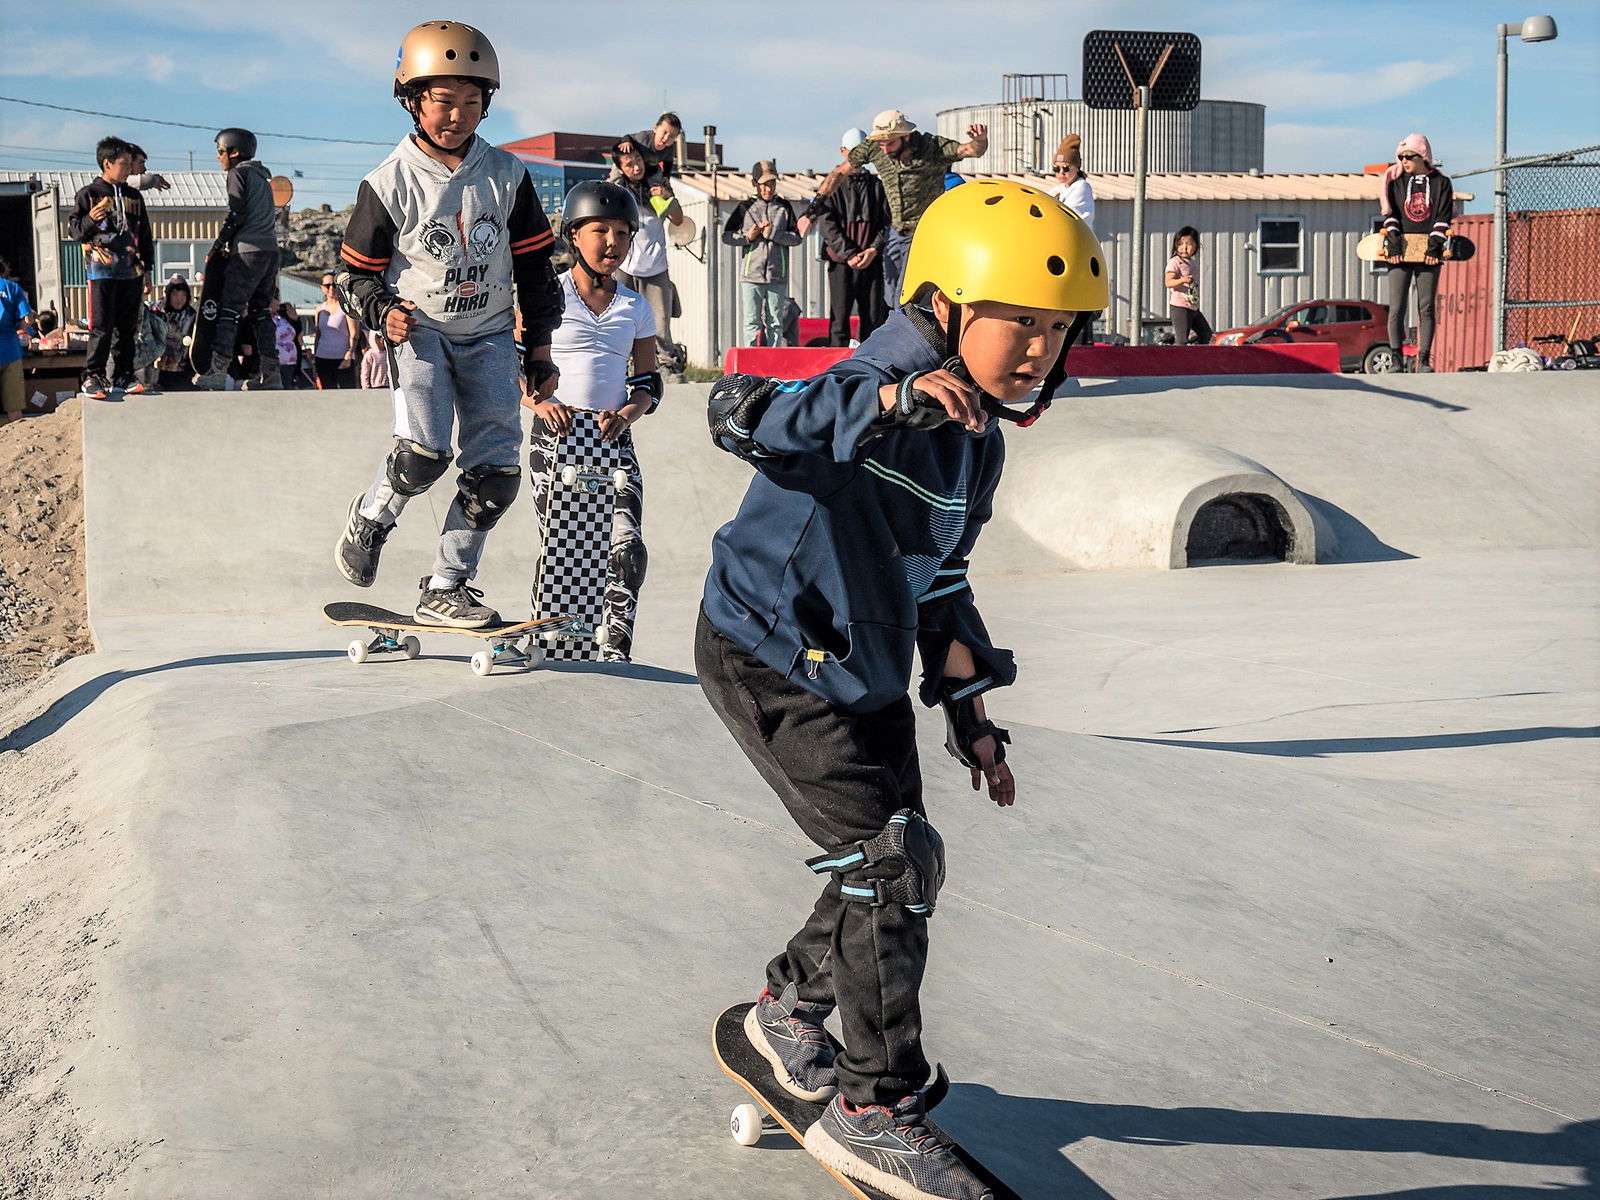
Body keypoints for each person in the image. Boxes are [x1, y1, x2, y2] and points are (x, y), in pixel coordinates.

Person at [697, 179, 1106, 1200]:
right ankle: (875, 1109)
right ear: (948, 304)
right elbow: (744, 416)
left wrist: (972, 715)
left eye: (1056, 334)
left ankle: (783, 1013)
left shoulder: (979, 441)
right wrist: (887, 401)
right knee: (889, 866)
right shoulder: (875, 376)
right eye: (1017, 322)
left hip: (867, 660)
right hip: (770, 651)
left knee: (891, 868)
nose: (1035, 352)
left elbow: (944, 579)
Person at [332, 19, 562, 629]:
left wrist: (538, 352)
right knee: (425, 456)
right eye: (442, 101)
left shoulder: (508, 176)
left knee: (496, 475)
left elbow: (537, 270)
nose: (456, 115)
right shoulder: (388, 183)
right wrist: (384, 311)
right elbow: (354, 277)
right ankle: (374, 516)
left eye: (470, 101)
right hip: (424, 332)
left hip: (489, 334)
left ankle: (446, 586)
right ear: (411, 100)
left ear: (486, 105)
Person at [526, 181, 660, 662]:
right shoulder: (548, 296)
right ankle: (558, 645)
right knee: (568, 554)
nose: (612, 243)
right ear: (574, 236)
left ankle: (615, 652)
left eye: (623, 233)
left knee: (626, 552)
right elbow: (511, 371)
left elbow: (648, 384)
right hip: (556, 439)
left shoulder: (635, 306)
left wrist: (628, 412)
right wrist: (540, 404)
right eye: (600, 230)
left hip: (613, 440)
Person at [849, 109, 987, 310]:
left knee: (903, 296)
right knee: (889, 294)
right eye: (882, 144)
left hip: (923, 233)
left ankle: (910, 328)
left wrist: (979, 140)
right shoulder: (878, 150)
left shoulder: (933, 151)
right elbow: (846, 165)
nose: (886, 150)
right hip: (896, 233)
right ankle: (911, 315)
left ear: (906, 137)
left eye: (891, 144)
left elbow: (971, 150)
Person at [67, 135, 154, 400]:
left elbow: (146, 236)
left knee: (128, 327)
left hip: (132, 271)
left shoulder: (134, 196)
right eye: (124, 163)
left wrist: (147, 270)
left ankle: (124, 375)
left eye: (130, 163)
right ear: (107, 164)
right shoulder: (89, 194)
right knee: (102, 325)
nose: (129, 168)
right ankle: (93, 375)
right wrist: (90, 220)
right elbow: (74, 231)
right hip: (101, 270)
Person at [195, 128, 281, 390]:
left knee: (229, 309)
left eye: (220, 151)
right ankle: (271, 375)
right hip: (270, 251)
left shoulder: (238, 173)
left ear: (233, 152)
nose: (218, 157)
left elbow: (236, 214)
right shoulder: (262, 178)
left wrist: (218, 245)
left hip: (247, 251)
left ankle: (217, 372)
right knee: (260, 311)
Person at [611, 137, 688, 381]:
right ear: (621, 168)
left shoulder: (658, 185)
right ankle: (621, 365)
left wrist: (666, 195)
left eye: (638, 161)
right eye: (629, 164)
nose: (636, 167)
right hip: (624, 266)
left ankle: (667, 365)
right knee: (621, 318)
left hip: (655, 265)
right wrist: (625, 143)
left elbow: (677, 219)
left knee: (660, 320)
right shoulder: (618, 191)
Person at [1380, 133, 1454, 373]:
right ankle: (1396, 360)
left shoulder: (1442, 183)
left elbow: (1442, 216)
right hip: (1400, 250)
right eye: (1400, 157)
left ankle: (1423, 360)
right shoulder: (1395, 181)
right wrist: (1393, 243)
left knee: (1426, 307)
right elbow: (1391, 214)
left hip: (1428, 251)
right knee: (1397, 306)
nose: (1404, 161)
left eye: (1409, 156)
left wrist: (1434, 247)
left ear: (1422, 155)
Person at [813, 128, 890, 347]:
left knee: (873, 318)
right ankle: (835, 372)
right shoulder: (831, 186)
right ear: (842, 151)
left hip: (871, 262)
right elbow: (827, 224)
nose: (858, 157)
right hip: (841, 263)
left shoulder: (878, 186)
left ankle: (872, 366)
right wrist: (849, 254)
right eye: (853, 151)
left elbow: (888, 223)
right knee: (839, 318)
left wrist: (873, 249)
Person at [722, 161, 801, 348]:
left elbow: (797, 238)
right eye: (764, 184)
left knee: (776, 321)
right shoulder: (745, 207)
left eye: (772, 183)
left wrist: (774, 234)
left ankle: (773, 361)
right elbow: (727, 235)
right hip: (751, 275)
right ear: (755, 184)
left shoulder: (784, 207)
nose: (768, 188)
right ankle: (750, 360)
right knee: (751, 322)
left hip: (777, 275)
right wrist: (748, 237)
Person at [0, 256, 36, 425]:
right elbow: (28, 319)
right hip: (10, 351)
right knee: (14, 409)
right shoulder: (13, 288)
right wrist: (16, 326)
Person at [1165, 226, 1212, 346]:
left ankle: (1199, 357)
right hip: (1180, 306)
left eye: (1189, 244)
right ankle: (1177, 361)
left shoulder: (1192, 262)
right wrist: (1182, 280)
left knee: (1206, 334)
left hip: (1192, 305)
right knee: (1182, 339)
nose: (1184, 248)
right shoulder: (1175, 261)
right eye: (1180, 244)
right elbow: (1168, 282)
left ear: (1196, 246)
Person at [151, 275, 197, 392]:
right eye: (175, 294)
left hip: (184, 372)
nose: (179, 299)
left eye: (183, 295)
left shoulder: (193, 315)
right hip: (157, 373)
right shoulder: (157, 312)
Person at [314, 271, 359, 387]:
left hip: (342, 357)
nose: (331, 288)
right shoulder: (319, 309)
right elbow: (318, 334)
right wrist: (314, 356)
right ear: (321, 288)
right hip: (322, 357)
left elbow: (354, 333)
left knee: (347, 391)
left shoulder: (346, 308)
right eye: (327, 285)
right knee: (327, 392)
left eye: (334, 285)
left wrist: (350, 353)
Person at [621, 112, 682, 192]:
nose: (666, 138)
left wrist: (666, 176)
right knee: (618, 176)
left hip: (650, 168)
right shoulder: (644, 138)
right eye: (664, 132)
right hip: (631, 164)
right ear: (655, 129)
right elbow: (628, 137)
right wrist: (626, 142)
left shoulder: (669, 148)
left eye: (671, 136)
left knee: (660, 182)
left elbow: (668, 162)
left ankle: (659, 200)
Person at [1048, 133, 1094, 232]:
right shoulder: (1058, 189)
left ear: (1077, 168)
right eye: (1056, 168)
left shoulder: (1082, 187)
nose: (1061, 173)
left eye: (1066, 168)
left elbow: (1067, 215)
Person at [273, 299, 303, 389]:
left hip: (289, 361)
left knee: (287, 387)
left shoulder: (284, 316)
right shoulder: (262, 316)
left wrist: (296, 320)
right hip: (272, 360)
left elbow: (298, 338)